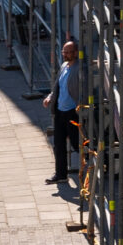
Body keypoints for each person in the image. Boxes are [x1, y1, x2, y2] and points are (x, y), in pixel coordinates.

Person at [44, 40, 86, 186]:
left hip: (72, 113)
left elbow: (84, 90)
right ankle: (60, 174)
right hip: (60, 111)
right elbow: (58, 86)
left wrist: (82, 104)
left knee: (76, 143)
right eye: (64, 52)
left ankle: (94, 167)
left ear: (75, 53)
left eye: (68, 52)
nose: (65, 55)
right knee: (58, 144)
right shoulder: (63, 66)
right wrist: (50, 97)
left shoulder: (79, 69)